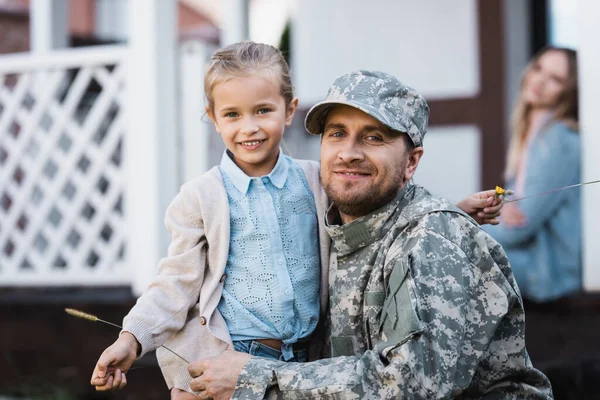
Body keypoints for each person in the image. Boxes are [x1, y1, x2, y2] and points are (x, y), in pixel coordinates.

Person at [89, 42, 502, 399]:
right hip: (227, 353)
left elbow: (384, 215)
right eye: (232, 115)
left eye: (263, 110)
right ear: (213, 118)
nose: (249, 127)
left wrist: (455, 210)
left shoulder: (316, 181)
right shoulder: (201, 197)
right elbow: (174, 281)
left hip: (304, 355)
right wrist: (133, 338)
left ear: (289, 111)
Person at [187, 70, 553, 399]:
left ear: (411, 162)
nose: (349, 153)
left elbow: (410, 384)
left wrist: (257, 378)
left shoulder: (433, 236)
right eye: (337, 134)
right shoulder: (331, 229)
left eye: (374, 137)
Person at [484, 47, 581, 302]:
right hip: (529, 259)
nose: (540, 81)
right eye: (539, 69)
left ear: (568, 92)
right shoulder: (533, 132)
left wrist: (466, 225)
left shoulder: (558, 140)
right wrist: (501, 207)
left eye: (556, 79)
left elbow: (518, 228)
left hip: (548, 272)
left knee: (453, 253)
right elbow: (510, 205)